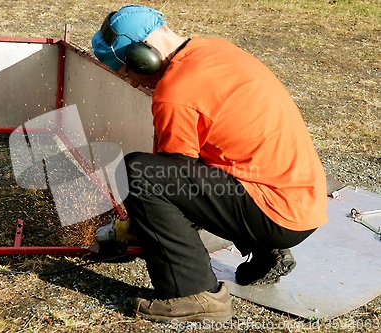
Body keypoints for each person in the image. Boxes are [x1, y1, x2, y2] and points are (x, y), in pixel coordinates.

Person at [91, 5, 328, 323]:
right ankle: (265, 249)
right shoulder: (214, 49)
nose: (133, 83)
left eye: (127, 72)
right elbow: (191, 176)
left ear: (140, 57)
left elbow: (167, 186)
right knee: (181, 170)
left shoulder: (174, 92)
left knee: (139, 173)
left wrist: (136, 226)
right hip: (300, 203)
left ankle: (192, 293)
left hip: (277, 213)